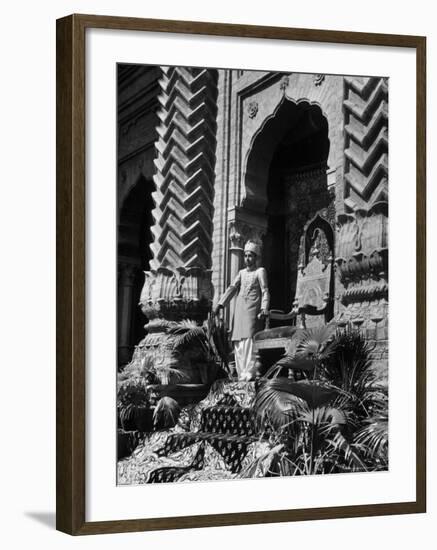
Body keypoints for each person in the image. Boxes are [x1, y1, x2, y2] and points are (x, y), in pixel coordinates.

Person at [215, 241, 270, 381]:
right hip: (240, 309)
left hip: (253, 309)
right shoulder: (241, 273)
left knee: (249, 341)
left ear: (256, 257)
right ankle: (241, 375)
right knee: (238, 342)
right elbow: (232, 288)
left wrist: (264, 308)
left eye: (250, 256)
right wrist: (221, 303)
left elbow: (265, 291)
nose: (247, 258)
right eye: (245, 255)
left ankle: (249, 374)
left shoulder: (260, 271)